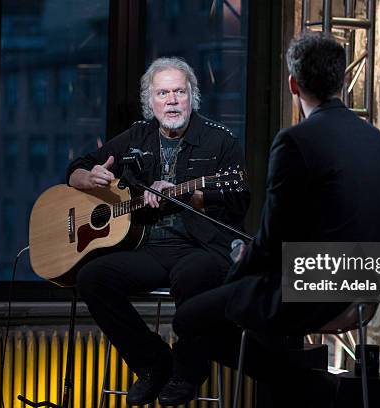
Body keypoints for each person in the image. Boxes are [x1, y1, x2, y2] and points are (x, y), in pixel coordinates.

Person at [160, 32, 380, 407]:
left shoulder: (296, 141)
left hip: (313, 296)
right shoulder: (377, 141)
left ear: (292, 84)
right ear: (340, 81)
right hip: (367, 294)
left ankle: (307, 387)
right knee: (242, 301)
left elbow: (271, 241)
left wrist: (235, 273)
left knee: (189, 319)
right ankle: (301, 386)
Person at [67, 57, 249, 406]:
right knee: (92, 277)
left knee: (191, 277)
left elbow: (240, 200)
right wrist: (88, 177)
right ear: (149, 101)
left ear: (191, 97)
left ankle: (188, 372)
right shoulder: (137, 136)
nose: (171, 100)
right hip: (149, 248)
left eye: (179, 92)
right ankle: (154, 365)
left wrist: (189, 194)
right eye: (162, 93)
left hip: (204, 247)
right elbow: (75, 168)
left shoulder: (220, 141)